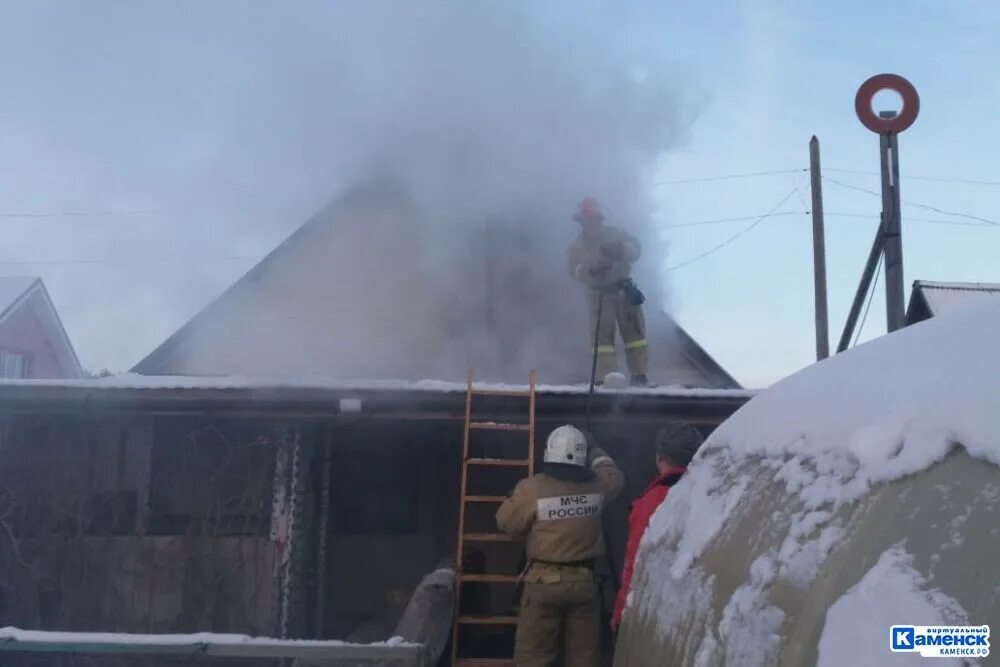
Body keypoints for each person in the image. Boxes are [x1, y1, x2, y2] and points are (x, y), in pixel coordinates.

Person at [496, 424, 624, 667]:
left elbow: (507, 524)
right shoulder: (598, 485)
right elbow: (613, 475)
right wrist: (595, 450)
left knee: (534, 658)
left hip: (542, 584)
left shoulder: (532, 487)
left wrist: (512, 498)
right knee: (584, 659)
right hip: (586, 585)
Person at [611, 424, 704, 633]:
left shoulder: (653, 501)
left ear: (660, 458)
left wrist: (620, 613)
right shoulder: (711, 493)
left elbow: (635, 562)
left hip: (657, 612)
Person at [566, 196, 649, 387]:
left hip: (623, 291)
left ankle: (639, 375)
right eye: (586, 220)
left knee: (635, 337)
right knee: (602, 342)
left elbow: (636, 248)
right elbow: (573, 270)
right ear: (581, 221)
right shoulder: (576, 247)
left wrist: (621, 249)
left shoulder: (616, 235)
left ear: (599, 219)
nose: (589, 223)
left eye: (592, 219)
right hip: (598, 295)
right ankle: (607, 377)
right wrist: (590, 270)